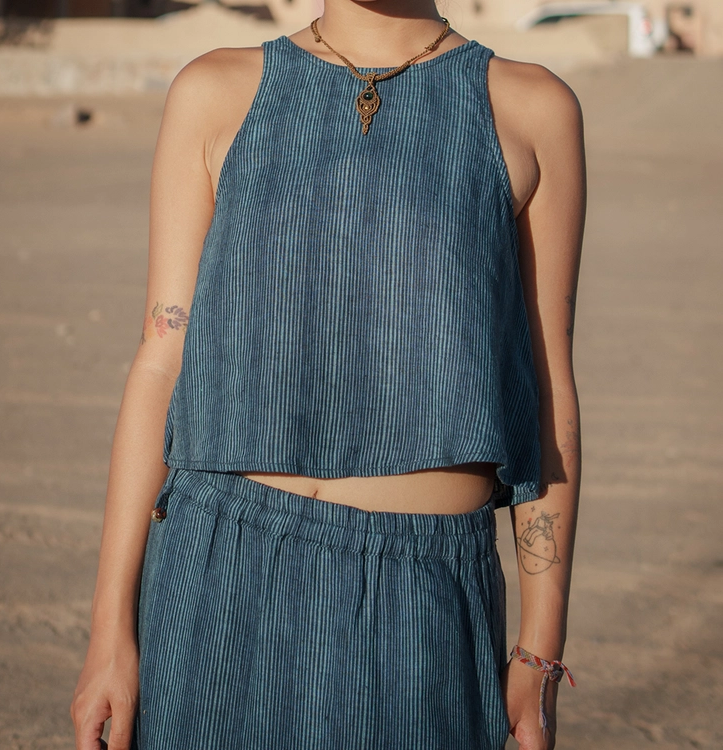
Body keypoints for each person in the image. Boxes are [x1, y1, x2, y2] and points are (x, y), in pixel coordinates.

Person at [70, 0, 585, 748]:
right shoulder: (215, 91)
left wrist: (540, 647)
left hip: (422, 599)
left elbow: (549, 390)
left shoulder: (532, 107)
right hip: (217, 574)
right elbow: (160, 360)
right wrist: (109, 631)